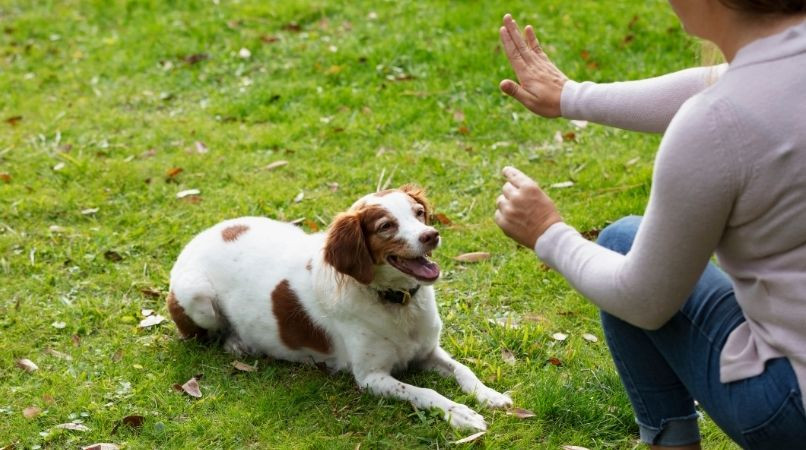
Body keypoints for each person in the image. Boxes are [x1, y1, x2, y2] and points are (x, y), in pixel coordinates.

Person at [493, 1, 806, 449]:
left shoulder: (714, 123)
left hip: (792, 411)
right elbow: (727, 85)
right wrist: (571, 96)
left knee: (622, 242)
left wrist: (548, 232)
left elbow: (644, 301)